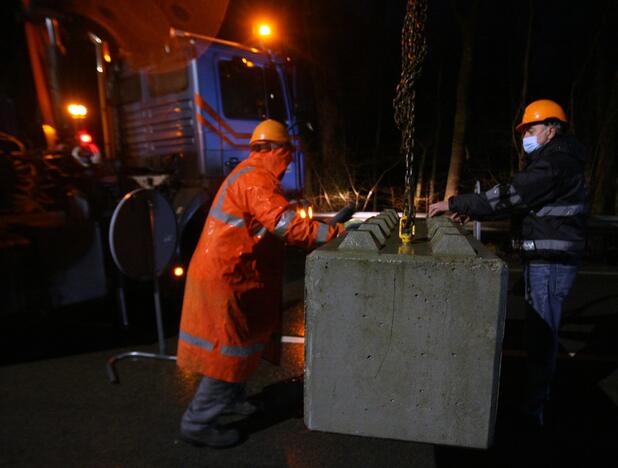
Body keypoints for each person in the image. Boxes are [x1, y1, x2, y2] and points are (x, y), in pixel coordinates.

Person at [176, 119, 344, 447]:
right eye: (288, 153)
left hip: (231, 274)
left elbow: (274, 219)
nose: (290, 160)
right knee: (229, 352)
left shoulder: (249, 175)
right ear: (275, 151)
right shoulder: (256, 180)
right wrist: (337, 234)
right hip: (228, 277)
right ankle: (197, 422)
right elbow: (288, 228)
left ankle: (231, 400)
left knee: (245, 341)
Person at [428, 99, 587, 428]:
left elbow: (513, 195)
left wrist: (456, 202)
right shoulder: (558, 160)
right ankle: (535, 402)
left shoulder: (555, 163)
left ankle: (534, 413)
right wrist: (470, 209)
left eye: (532, 128)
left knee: (542, 338)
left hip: (550, 263)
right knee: (539, 335)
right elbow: (520, 202)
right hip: (546, 260)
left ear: (552, 129)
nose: (526, 135)